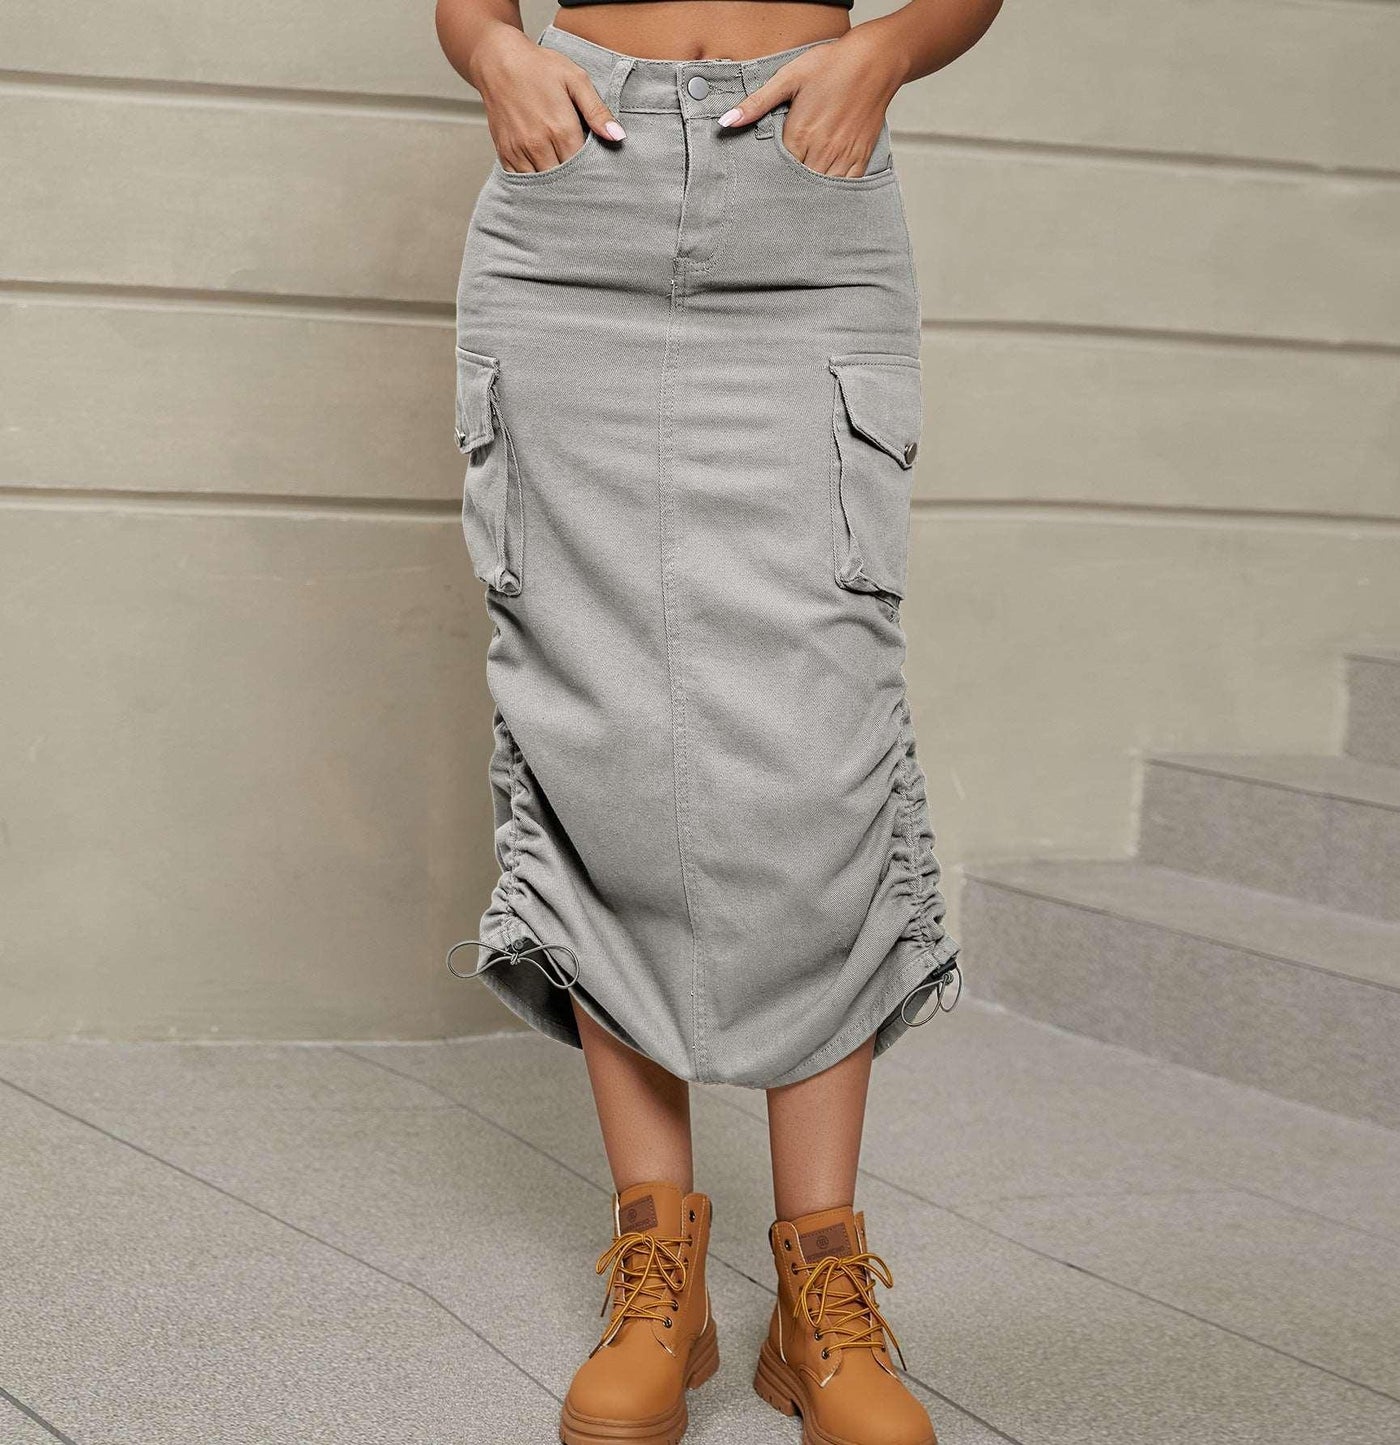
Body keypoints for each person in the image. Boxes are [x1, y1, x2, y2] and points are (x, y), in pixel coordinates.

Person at [436, 0, 1001, 1437]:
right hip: (574, 208)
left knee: (816, 749)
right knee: (603, 722)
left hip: (807, 211)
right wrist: (495, 55)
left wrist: (887, 52)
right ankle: (658, 1277)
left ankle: (822, 1296)